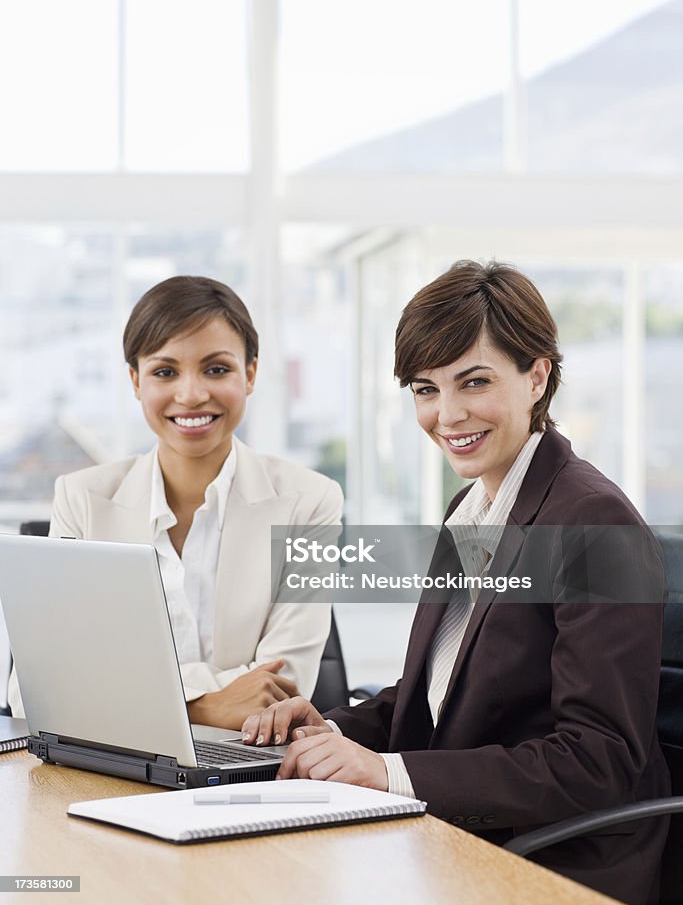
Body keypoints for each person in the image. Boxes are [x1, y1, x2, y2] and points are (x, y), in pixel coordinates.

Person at [242, 260, 670, 905]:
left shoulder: (590, 518)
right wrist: (335, 732)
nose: (447, 414)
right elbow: (443, 698)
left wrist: (384, 772)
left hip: (555, 862)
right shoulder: (472, 508)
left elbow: (598, 760)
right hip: (463, 837)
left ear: (537, 376)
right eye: (424, 389)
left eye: (473, 382)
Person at [8, 275, 342, 729]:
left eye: (216, 369)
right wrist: (203, 706)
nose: (191, 394)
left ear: (250, 374)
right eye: (165, 372)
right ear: (135, 381)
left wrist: (120, 691)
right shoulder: (84, 499)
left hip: (249, 765)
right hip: (113, 761)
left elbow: (280, 686)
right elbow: (33, 690)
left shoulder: (310, 501)